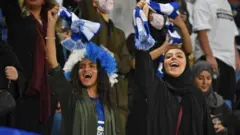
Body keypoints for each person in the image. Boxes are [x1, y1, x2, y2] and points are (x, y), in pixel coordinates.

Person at [46, 6, 121, 135]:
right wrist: (51, 24)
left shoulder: (109, 105)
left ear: (101, 72)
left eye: (92, 66)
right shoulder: (70, 97)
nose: (86, 69)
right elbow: (52, 61)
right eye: (81, 66)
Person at [0, 0, 65, 133]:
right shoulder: (17, 16)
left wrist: (60, 94)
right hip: (23, 92)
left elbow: (59, 61)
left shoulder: (51, 23)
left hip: (47, 98)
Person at [135, 43, 216, 135]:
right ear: (164, 66)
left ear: (186, 64)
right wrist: (144, 47)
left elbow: (206, 128)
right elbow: (143, 67)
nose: (173, 58)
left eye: (179, 56)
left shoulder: (196, 94)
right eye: (168, 57)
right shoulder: (156, 88)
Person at [80, 1, 133, 134]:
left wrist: (112, 55)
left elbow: (126, 65)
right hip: (96, 92)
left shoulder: (119, 33)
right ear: (93, 3)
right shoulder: (91, 24)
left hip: (118, 94)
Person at [192, 0, 240, 106]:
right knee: (210, 102)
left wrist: (236, 56)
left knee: (227, 102)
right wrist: (209, 55)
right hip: (213, 58)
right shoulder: (202, 2)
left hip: (229, 61)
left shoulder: (226, 4)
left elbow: (231, 32)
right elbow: (201, 31)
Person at [192, 61, 232, 135]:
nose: (205, 82)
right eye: (200, 78)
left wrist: (225, 129)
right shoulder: (186, 101)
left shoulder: (218, 101)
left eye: (208, 78)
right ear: (193, 79)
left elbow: (233, 126)